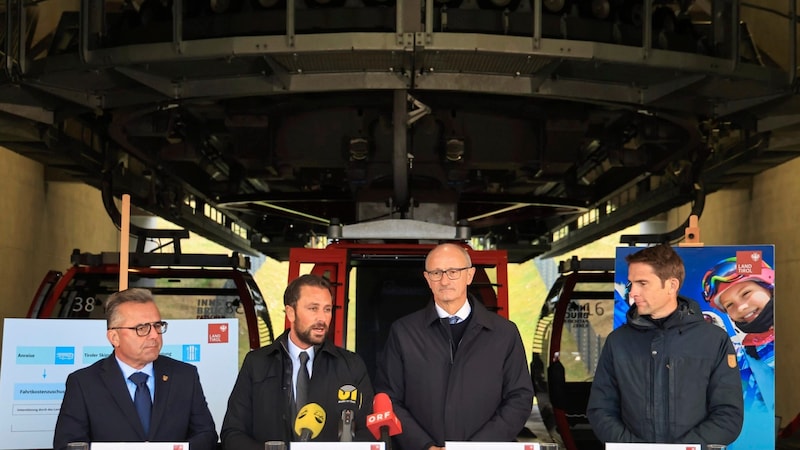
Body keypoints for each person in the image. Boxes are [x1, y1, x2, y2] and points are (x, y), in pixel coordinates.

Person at [375, 243, 534, 450]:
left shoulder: (504, 334)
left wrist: (477, 447)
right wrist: (425, 446)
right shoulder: (403, 332)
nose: (444, 280)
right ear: (427, 279)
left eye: (453, 272)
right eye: (436, 273)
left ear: (469, 275)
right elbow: (389, 398)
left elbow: (519, 399)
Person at [587, 244, 744, 445]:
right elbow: (601, 409)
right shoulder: (617, 342)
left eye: (642, 283)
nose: (633, 292)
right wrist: (633, 448)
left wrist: (685, 449)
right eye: (631, 283)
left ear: (671, 285)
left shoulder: (714, 340)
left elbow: (728, 415)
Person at [221, 274, 375, 449]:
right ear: (291, 313)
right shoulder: (256, 364)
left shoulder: (352, 366)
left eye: (327, 309)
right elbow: (232, 433)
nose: (322, 319)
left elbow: (369, 431)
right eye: (313, 309)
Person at [53, 288, 218, 450]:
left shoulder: (184, 376)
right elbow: (68, 444)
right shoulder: (84, 383)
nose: (154, 335)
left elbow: (206, 435)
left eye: (157, 325)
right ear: (114, 337)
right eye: (142, 328)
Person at [702, 256, 775, 446]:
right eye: (729, 305)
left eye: (746, 293)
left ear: (769, 285)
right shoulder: (740, 354)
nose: (742, 307)